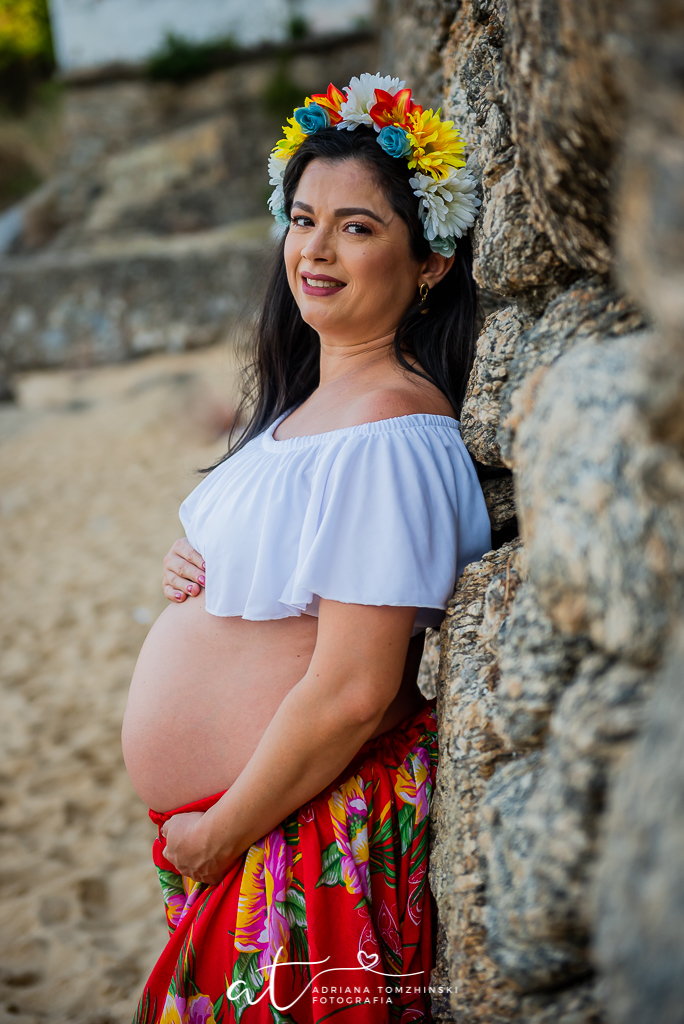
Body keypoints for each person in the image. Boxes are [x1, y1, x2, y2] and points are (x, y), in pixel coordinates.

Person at [123, 73, 491, 1024]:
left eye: (358, 227)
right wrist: (195, 571)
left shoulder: (391, 436)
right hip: (248, 828)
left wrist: (219, 834)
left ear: (431, 263)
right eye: (303, 218)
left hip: (294, 828)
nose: (316, 250)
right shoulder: (307, 411)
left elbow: (355, 691)